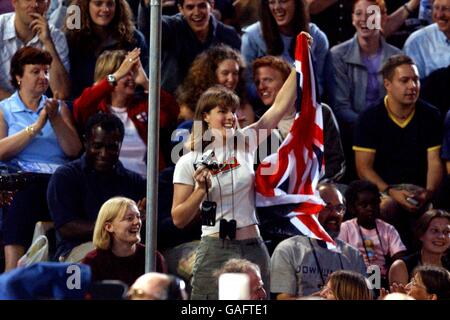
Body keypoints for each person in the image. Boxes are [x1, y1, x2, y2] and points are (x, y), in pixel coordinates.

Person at [171, 60, 297, 299]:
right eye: (222, 111)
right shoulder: (189, 161)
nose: (230, 116)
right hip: (215, 249)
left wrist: (299, 66)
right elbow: (178, 218)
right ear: (206, 116)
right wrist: (200, 190)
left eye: (232, 110)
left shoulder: (246, 142)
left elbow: (280, 106)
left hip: (253, 246)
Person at [0, 47, 81, 271]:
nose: (43, 77)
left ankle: (14, 273)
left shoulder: (58, 108)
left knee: (55, 185)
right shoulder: (5, 109)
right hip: (23, 179)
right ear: (18, 77)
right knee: (25, 192)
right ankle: (11, 271)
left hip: (58, 179)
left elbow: (73, 150)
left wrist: (54, 119)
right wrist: (35, 128)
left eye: (46, 71)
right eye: (35, 72)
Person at [353, 54, 444, 238]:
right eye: (404, 81)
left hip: (419, 189)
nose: (412, 86)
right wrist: (390, 192)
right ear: (387, 85)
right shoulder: (369, 118)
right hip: (384, 189)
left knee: (434, 212)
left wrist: (429, 193)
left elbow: (434, 162)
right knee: (387, 207)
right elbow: (364, 168)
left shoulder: (431, 115)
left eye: (416, 80)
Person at [47, 113, 146, 261]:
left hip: (127, 249)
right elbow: (66, 227)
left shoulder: (134, 181)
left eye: (112, 147)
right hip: (76, 250)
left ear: (120, 144)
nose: (104, 154)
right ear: (86, 142)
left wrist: (142, 220)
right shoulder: (66, 176)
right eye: (97, 146)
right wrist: (117, 227)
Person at [73, 49, 179, 174]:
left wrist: (146, 83)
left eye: (132, 72)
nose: (131, 78)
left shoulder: (143, 104)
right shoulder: (95, 108)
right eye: (125, 72)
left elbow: (172, 111)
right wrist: (116, 76)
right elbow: (80, 107)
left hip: (143, 183)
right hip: (104, 183)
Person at [252, 55, 345, 182]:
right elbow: (263, 171)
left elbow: (335, 162)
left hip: (319, 187)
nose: (261, 87)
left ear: (287, 83)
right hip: (280, 194)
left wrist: (312, 186)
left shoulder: (320, 112)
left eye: (267, 80)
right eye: (257, 82)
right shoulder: (261, 122)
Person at [270, 183, 367, 299]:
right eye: (327, 207)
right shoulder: (288, 249)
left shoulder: (353, 255)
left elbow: (364, 296)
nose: (336, 213)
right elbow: (282, 299)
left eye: (340, 208)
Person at [139, 0, 241, 94]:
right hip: (173, 103)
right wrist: (147, 4)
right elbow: (148, 28)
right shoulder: (172, 27)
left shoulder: (229, 36)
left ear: (212, 5)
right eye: (190, 7)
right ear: (181, 9)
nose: (197, 12)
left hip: (214, 103)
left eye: (202, 6)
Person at [241, 0, 329, 97]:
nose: (277, 7)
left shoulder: (317, 37)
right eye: (272, 2)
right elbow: (247, 85)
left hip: (303, 105)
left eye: (283, 1)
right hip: (264, 107)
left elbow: (319, 85)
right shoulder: (251, 37)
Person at [64, 0, 148, 99]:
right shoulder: (73, 39)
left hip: (124, 105)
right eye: (98, 3)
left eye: (110, 4)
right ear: (85, 6)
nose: (105, 9)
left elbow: (142, 81)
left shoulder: (133, 39)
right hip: (84, 105)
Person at [82, 197, 165, 286]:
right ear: (109, 227)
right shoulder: (92, 262)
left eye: (138, 216)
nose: (137, 222)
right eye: (129, 218)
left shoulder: (153, 257)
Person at [338, 180, 407, 286]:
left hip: (381, 279)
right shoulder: (345, 228)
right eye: (364, 205)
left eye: (374, 203)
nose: (370, 208)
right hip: (354, 278)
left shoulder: (388, 229)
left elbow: (399, 257)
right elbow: (340, 257)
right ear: (352, 208)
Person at [0, 0, 70, 100]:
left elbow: (62, 93)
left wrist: (48, 42)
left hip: (39, 109)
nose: (34, 5)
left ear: (48, 4)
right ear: (14, 2)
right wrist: (21, 108)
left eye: (40, 1)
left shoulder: (56, 36)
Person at [175, 44, 254, 129]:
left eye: (235, 73)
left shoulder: (244, 108)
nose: (231, 79)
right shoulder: (189, 110)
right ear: (211, 75)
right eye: (225, 73)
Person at [308, 0, 421, 47]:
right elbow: (309, 7)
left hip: (360, 54)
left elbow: (380, 27)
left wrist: (411, 5)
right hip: (321, 51)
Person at [389, 209, 450, 286]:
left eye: (447, 232)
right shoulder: (401, 266)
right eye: (435, 230)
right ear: (421, 234)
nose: (441, 236)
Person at [404, 0, 450, 79]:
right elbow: (409, 87)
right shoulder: (417, 43)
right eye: (436, 8)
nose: (439, 15)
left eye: (446, 9)